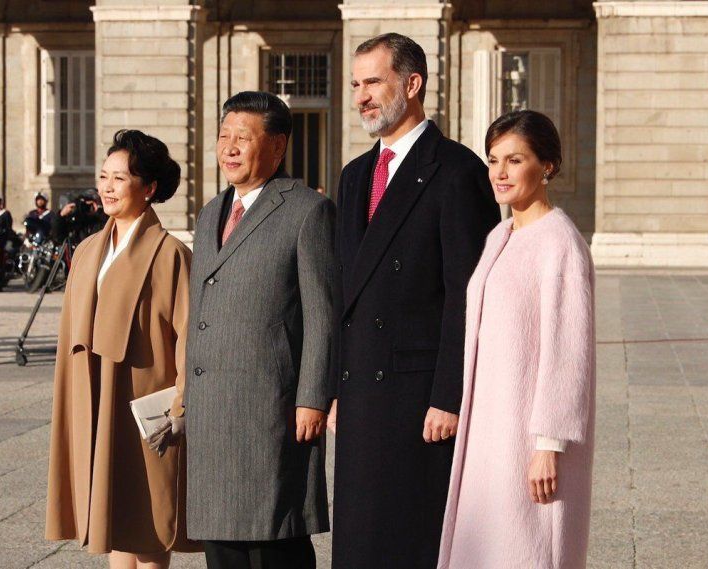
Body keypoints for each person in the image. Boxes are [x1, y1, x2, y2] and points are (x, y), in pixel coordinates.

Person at [329, 33, 501, 569]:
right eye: (356, 84)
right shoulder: (355, 175)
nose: (361, 96)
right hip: (361, 393)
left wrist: (450, 396)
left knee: (407, 542)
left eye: (373, 82)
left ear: (412, 83)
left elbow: (468, 295)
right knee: (360, 544)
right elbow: (344, 294)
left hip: (419, 398)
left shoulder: (457, 171)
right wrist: (335, 385)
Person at [183, 91, 334, 569]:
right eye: (223, 137)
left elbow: (323, 313)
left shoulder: (306, 210)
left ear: (277, 147)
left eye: (242, 138)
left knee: (274, 537)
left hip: (271, 405)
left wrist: (312, 396)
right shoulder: (210, 213)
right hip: (212, 410)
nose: (229, 147)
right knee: (221, 541)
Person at [438, 110, 596, 568]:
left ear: (546, 166)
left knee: (526, 551)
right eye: (493, 160)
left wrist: (548, 446)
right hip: (487, 430)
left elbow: (569, 353)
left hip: (530, 437)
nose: (499, 173)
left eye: (514, 159)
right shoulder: (499, 235)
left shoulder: (560, 242)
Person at [45, 129, 202, 568]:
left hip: (145, 402)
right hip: (95, 397)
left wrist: (181, 405)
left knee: (149, 519)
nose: (108, 187)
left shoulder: (170, 254)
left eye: (120, 178)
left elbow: (191, 335)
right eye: (104, 176)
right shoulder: (90, 248)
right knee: (111, 518)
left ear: (149, 189)